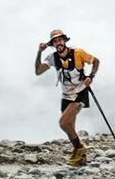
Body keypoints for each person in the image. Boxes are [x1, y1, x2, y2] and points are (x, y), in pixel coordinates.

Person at [36, 29, 100, 166]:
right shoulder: (53, 58)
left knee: (63, 123)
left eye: (60, 40)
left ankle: (79, 148)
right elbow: (38, 71)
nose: (58, 43)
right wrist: (39, 52)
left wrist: (90, 77)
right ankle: (80, 157)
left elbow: (96, 61)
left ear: (64, 40)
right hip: (66, 95)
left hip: (80, 92)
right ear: (52, 44)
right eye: (55, 41)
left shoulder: (78, 53)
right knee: (70, 126)